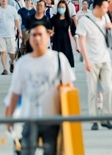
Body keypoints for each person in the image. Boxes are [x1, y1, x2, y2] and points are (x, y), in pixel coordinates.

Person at [5, 20, 75, 155]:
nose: (37, 38)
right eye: (34, 35)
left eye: (40, 34)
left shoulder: (59, 59)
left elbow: (69, 89)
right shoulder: (22, 63)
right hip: (29, 119)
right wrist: (9, 118)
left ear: (48, 35)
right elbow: (14, 93)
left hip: (52, 120)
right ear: (29, 37)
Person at [77, 0, 112, 131]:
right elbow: (82, 41)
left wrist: (111, 27)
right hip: (92, 61)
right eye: (104, 8)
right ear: (97, 7)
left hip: (105, 59)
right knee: (92, 91)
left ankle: (106, 117)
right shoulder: (84, 21)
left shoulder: (106, 18)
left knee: (108, 88)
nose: (106, 10)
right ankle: (94, 120)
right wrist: (86, 61)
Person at [0, 0, 22, 75]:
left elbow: (17, 21)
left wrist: (19, 32)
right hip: (1, 35)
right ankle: (5, 69)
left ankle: (11, 62)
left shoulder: (12, 9)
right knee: (3, 52)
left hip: (11, 34)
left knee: (12, 53)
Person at [51, 0, 77, 67]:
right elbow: (49, 29)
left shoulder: (69, 19)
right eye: (59, 7)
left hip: (66, 41)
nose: (61, 9)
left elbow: (74, 33)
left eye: (62, 7)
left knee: (66, 59)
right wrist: (51, 40)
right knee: (56, 60)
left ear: (66, 8)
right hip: (56, 40)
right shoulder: (54, 18)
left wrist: (77, 44)